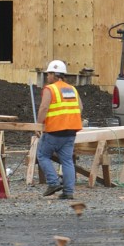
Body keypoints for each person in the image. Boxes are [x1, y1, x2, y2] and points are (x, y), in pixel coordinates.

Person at [36, 59, 84, 200]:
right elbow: (80, 107)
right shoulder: (73, 89)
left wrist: (39, 124)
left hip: (54, 131)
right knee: (67, 161)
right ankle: (68, 192)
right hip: (70, 132)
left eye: (48, 73)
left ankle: (53, 183)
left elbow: (44, 107)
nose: (47, 76)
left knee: (43, 156)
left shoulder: (50, 89)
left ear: (54, 74)